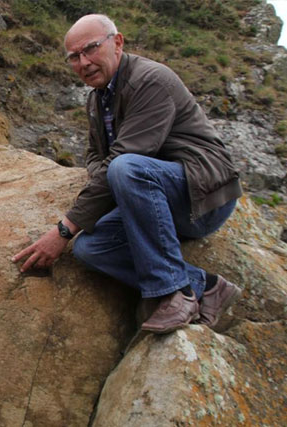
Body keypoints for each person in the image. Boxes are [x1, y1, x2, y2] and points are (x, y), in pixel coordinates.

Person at [12, 15, 243, 335]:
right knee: (90, 249)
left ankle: (175, 291)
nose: (84, 62)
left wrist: (63, 230)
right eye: (74, 57)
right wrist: (107, 176)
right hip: (154, 198)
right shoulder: (98, 99)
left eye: (91, 49)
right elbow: (96, 156)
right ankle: (207, 287)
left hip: (202, 198)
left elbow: (123, 161)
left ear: (117, 42)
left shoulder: (151, 80)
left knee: (125, 169)